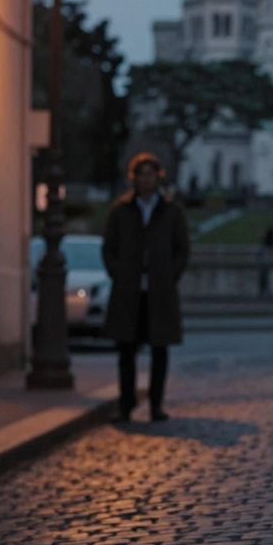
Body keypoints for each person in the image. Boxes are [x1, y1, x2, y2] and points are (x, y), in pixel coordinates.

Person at [102, 152, 191, 423]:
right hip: (129, 290)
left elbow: (182, 249)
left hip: (159, 290)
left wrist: (168, 275)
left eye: (150, 174)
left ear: (158, 177)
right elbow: (109, 248)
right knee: (126, 350)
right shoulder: (121, 211)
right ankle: (126, 404)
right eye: (141, 174)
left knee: (159, 349)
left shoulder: (171, 211)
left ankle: (156, 404)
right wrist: (120, 274)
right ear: (134, 178)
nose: (146, 180)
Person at [258, 225, 273, 299]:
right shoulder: (269, 243)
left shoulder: (266, 243)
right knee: (265, 279)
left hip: (264, 262)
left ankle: (263, 293)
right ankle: (265, 292)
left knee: (264, 279)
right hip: (265, 263)